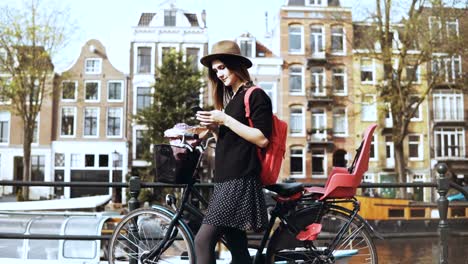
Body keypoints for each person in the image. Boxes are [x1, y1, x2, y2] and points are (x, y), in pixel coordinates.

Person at [194, 40, 273, 263]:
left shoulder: (255, 95)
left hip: (239, 179)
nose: (219, 74)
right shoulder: (233, 99)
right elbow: (233, 142)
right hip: (226, 178)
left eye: (222, 67)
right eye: (215, 70)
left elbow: (262, 139)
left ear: (236, 65)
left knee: (203, 241)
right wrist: (215, 129)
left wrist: (225, 119)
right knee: (238, 249)